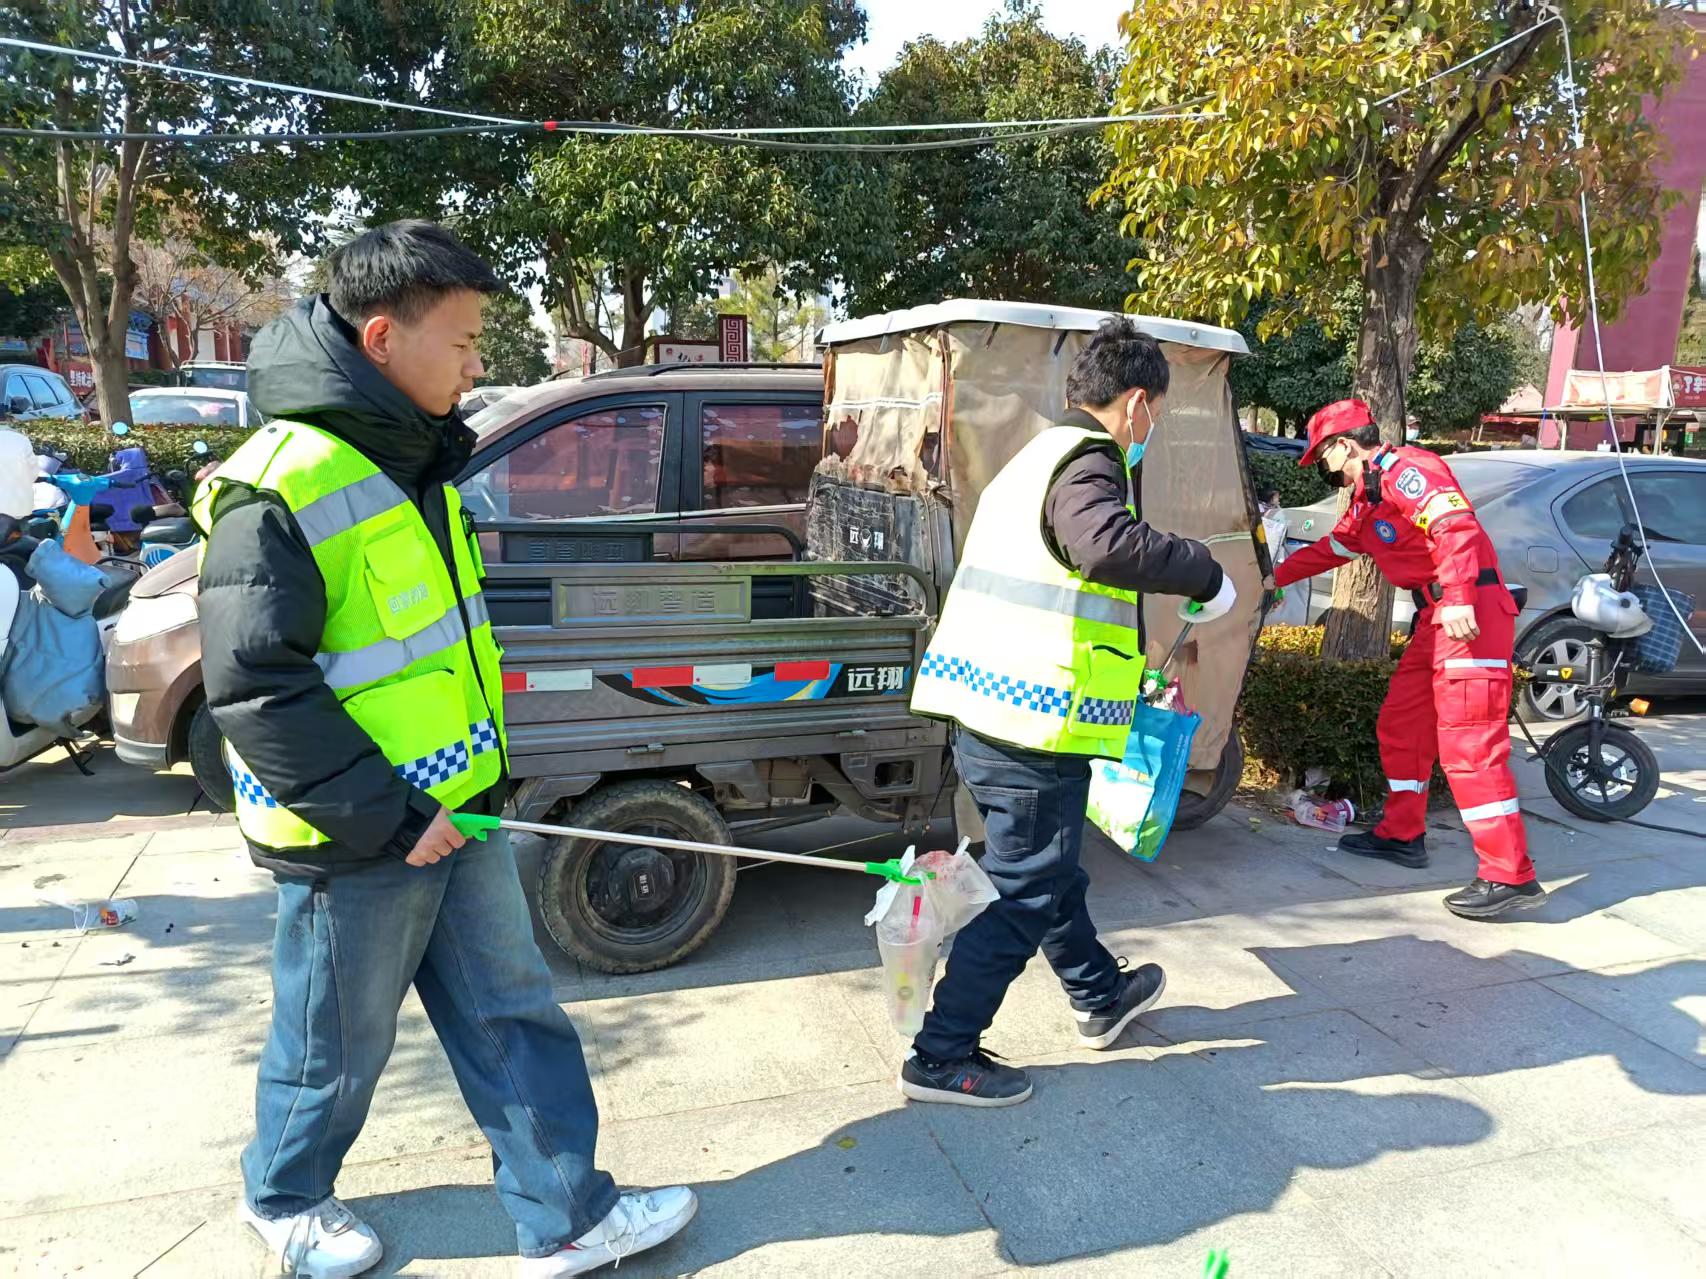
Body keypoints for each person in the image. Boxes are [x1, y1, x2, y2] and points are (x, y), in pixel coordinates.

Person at [197, 221, 695, 1278]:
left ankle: (566, 1213)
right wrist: (389, 816)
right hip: (356, 836)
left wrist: (467, 790)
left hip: (459, 807)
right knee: (336, 1045)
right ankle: (284, 1196)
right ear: (383, 338)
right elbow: (255, 684)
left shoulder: (416, 460)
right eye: (464, 342)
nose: (476, 366)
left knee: (515, 1013)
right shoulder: (283, 483)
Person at [905, 317, 1238, 1106]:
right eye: (1156, 411)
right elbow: (1104, 544)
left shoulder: (1034, 458)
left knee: (1046, 869)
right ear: (1137, 402)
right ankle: (941, 1054)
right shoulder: (1089, 461)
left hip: (989, 709)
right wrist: (1200, 569)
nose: (1151, 427)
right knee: (1024, 889)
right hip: (1030, 725)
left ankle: (1098, 994)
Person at [1273, 399, 1546, 919]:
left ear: (1345, 446)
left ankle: (1510, 875)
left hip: (1469, 614)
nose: (1326, 470)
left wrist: (1459, 596)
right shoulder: (1368, 498)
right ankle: (1402, 834)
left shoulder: (1407, 469)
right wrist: (1273, 578)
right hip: (1436, 619)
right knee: (1401, 725)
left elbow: (1455, 527)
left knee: (1470, 745)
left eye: (1324, 458)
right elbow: (1336, 548)